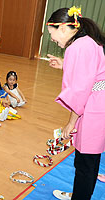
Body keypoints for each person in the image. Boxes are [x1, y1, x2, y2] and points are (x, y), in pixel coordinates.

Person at [45, 7, 105, 200]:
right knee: (91, 159)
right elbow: (90, 71)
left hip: (94, 107)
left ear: (62, 28)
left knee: (85, 163)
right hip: (98, 103)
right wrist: (64, 63)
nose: (52, 39)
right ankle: (81, 194)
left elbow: (80, 90)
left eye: (52, 34)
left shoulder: (78, 47)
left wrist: (71, 123)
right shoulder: (86, 42)